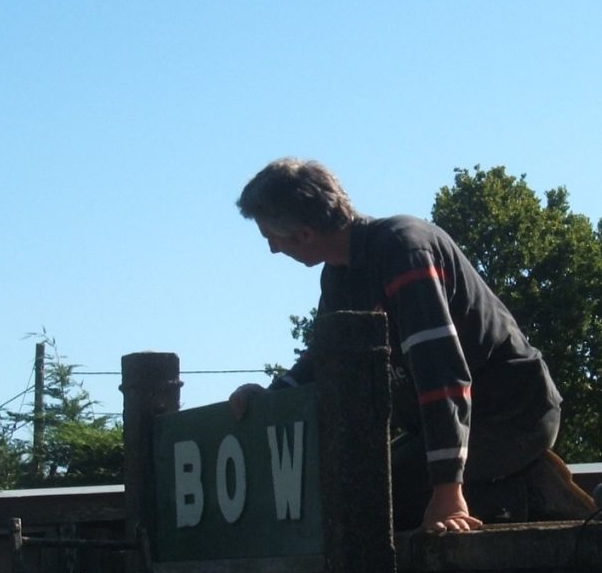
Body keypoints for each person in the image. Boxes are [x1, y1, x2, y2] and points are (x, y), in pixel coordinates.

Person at [229, 158, 596, 534]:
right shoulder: (339, 275)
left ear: (304, 234)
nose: (273, 249)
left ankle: (528, 494)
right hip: (449, 425)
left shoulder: (403, 250)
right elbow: (326, 359)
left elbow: (442, 373)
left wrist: (448, 493)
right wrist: (270, 398)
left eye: (269, 236)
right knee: (360, 490)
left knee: (385, 499)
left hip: (512, 416)